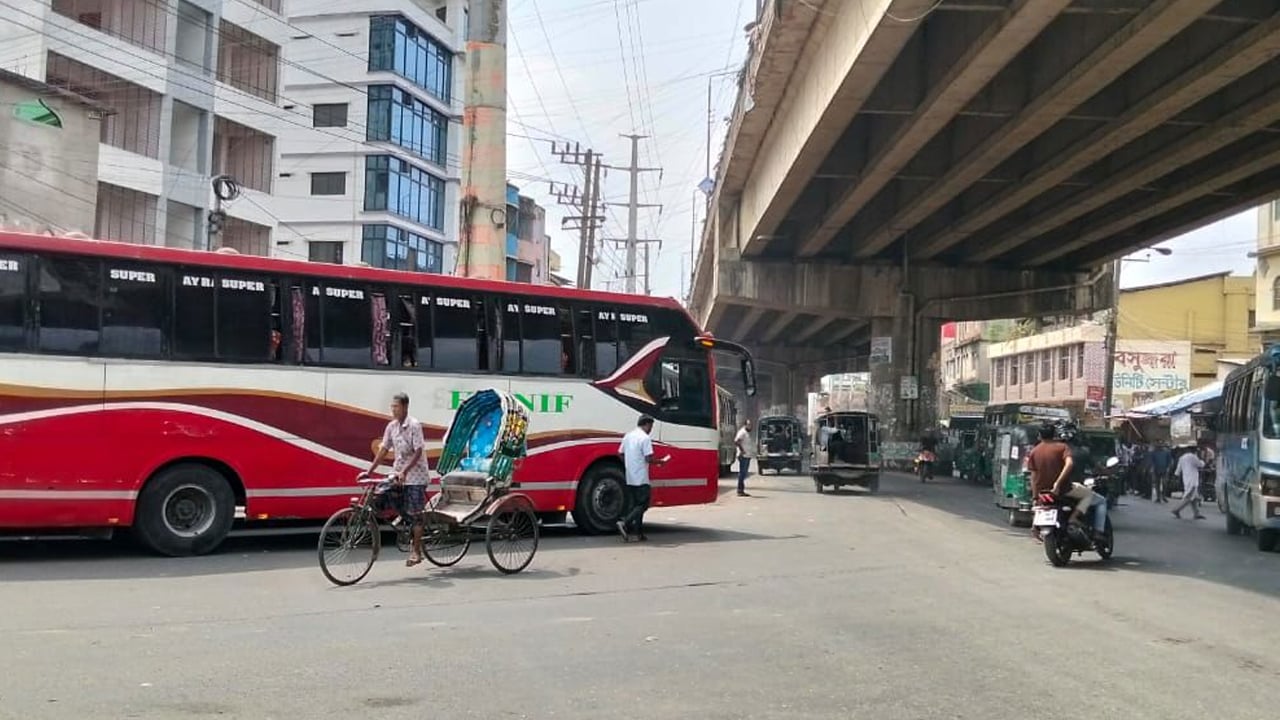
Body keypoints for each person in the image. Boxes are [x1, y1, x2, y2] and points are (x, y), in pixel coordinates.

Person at [360, 392, 429, 566]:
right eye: (392, 407)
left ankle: (416, 551)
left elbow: (418, 451)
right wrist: (369, 471)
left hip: (416, 476)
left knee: (416, 514)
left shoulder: (414, 425)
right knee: (381, 494)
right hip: (398, 473)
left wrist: (405, 471)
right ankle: (403, 520)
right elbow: (383, 450)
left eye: (396, 406)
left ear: (405, 407)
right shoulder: (391, 427)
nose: (393, 410)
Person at [617, 414, 668, 542]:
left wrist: (629, 464)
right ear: (646, 424)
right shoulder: (645, 438)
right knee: (643, 505)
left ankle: (638, 533)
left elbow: (620, 453)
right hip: (641, 478)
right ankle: (624, 522)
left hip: (630, 477)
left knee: (636, 505)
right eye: (651, 426)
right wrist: (660, 462)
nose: (651, 429)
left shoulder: (628, 436)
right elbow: (648, 458)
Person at [1171, 446, 1207, 520]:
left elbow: (1178, 471)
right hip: (1192, 480)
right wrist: (1203, 459)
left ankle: (1196, 513)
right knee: (1189, 498)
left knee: (1194, 498)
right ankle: (1176, 510)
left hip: (1186, 479)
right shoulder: (1193, 457)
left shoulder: (1182, 458)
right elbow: (1201, 465)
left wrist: (1176, 477)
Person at [735, 419, 755, 497]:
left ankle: (741, 490)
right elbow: (737, 441)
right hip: (743, 456)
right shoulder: (742, 432)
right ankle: (740, 490)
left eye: (751, 425)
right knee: (742, 473)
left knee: (744, 473)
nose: (750, 426)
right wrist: (742, 451)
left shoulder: (746, 433)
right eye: (749, 425)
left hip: (747, 455)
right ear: (745, 425)